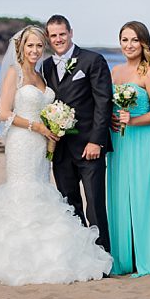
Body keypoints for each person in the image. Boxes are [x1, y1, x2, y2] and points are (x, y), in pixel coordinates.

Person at [0, 26, 112, 284]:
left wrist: (53, 126)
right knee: (22, 189)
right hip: (23, 141)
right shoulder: (13, 73)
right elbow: (3, 113)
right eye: (30, 45)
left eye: (39, 46)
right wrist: (37, 126)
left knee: (42, 189)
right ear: (21, 47)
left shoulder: (44, 74)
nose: (35, 50)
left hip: (44, 144)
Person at [107, 21, 150, 277]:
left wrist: (132, 120)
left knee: (143, 197)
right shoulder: (114, 72)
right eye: (124, 40)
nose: (129, 45)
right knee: (120, 197)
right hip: (118, 143)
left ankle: (148, 258)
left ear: (144, 43)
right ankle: (124, 258)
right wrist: (112, 120)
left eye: (134, 40)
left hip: (142, 142)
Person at [41, 14, 112, 251]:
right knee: (69, 204)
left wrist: (96, 142)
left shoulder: (93, 60)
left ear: (71, 32)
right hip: (60, 149)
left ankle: (102, 256)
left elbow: (104, 103)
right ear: (49, 38)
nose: (59, 39)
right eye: (54, 35)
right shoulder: (46, 66)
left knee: (94, 204)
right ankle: (81, 254)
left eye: (62, 34)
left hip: (88, 147)